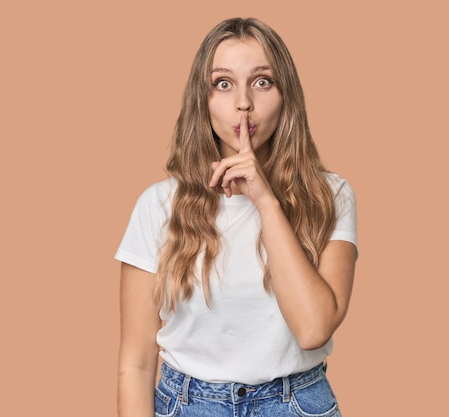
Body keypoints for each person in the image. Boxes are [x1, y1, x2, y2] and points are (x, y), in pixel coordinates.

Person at [115, 17, 357, 417]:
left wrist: (266, 202)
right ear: (202, 99)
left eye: (262, 81)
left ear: (286, 96)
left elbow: (314, 329)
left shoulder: (331, 196)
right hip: (187, 405)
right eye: (223, 84)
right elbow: (136, 363)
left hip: (295, 404)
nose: (243, 102)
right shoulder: (158, 206)